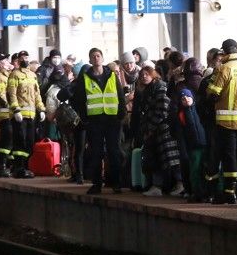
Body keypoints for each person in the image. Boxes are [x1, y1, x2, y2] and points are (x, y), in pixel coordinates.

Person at [72, 48, 126, 194]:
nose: (96, 58)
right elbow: (79, 99)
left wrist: (121, 115)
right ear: (89, 60)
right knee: (96, 153)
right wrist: (85, 118)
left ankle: (116, 182)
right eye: (93, 57)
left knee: (113, 152)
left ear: (102, 59)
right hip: (94, 121)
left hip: (112, 120)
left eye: (98, 56)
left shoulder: (112, 77)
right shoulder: (85, 78)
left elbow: (120, 96)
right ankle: (97, 184)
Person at [205, 38, 237, 204]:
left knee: (229, 154)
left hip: (226, 120)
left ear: (224, 52)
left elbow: (212, 93)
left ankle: (230, 192)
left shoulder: (223, 69)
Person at [135, 65, 184, 197]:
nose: (144, 77)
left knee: (171, 158)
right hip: (156, 129)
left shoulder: (160, 87)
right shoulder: (148, 89)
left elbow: (162, 109)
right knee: (158, 158)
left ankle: (179, 184)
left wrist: (150, 128)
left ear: (153, 74)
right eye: (142, 75)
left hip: (163, 128)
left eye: (147, 74)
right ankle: (159, 185)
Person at [8, 51, 45, 178]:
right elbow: (11, 94)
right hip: (20, 115)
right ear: (18, 60)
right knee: (20, 141)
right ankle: (19, 167)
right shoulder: (14, 75)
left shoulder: (32, 75)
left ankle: (25, 166)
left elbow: (37, 94)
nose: (25, 59)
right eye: (23, 58)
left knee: (30, 141)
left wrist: (41, 109)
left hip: (31, 115)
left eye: (27, 57)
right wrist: (16, 110)